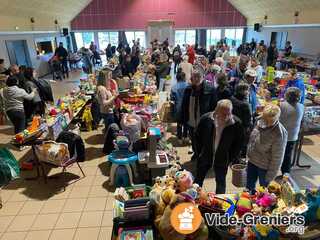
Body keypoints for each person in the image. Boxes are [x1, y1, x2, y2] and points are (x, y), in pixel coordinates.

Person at [194, 99, 244, 193]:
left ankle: (219, 202)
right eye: (224, 114)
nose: (227, 116)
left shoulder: (236, 123)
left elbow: (239, 142)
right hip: (205, 156)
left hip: (222, 159)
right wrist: (198, 153)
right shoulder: (206, 119)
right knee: (198, 181)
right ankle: (193, 197)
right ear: (216, 111)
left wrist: (231, 157)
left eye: (229, 113)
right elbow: (197, 136)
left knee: (221, 183)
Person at [246, 104, 288, 194]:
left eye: (270, 121)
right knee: (249, 188)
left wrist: (271, 176)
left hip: (265, 167)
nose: (266, 123)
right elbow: (253, 139)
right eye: (265, 119)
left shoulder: (280, 133)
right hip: (252, 161)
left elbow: (278, 157)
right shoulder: (259, 121)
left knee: (264, 192)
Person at [181, 71, 217, 161]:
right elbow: (184, 105)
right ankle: (196, 154)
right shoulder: (188, 89)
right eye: (194, 77)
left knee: (205, 141)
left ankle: (205, 158)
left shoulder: (210, 89)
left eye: (198, 76)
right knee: (194, 140)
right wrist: (183, 119)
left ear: (203, 77)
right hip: (192, 120)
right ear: (191, 78)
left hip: (205, 122)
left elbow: (214, 106)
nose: (196, 79)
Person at [280, 87, 304, 174]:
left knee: (278, 153)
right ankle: (286, 175)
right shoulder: (301, 106)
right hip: (293, 136)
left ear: (287, 95)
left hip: (281, 134)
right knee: (287, 155)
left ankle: (278, 171)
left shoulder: (282, 105)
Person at [231, 83, 253, 157]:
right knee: (242, 145)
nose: (248, 92)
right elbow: (248, 119)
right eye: (247, 90)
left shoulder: (232, 98)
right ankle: (239, 159)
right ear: (242, 91)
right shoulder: (245, 104)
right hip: (242, 127)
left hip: (232, 124)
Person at [170, 69, 189, 144]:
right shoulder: (188, 86)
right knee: (186, 122)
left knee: (179, 123)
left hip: (178, 107)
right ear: (184, 78)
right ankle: (185, 136)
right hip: (187, 107)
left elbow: (172, 99)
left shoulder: (174, 87)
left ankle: (179, 138)